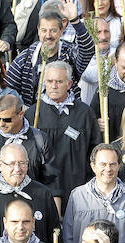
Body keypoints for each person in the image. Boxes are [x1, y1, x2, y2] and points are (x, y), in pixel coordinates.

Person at [33, 60, 100, 207]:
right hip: (44, 187)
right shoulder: (34, 114)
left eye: (59, 81)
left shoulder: (84, 113)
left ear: (69, 84)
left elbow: (95, 150)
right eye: (49, 81)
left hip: (77, 187)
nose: (53, 86)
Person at [5, 1, 95, 107]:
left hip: (67, 116)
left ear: (61, 30)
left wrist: (75, 21)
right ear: (38, 31)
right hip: (34, 120)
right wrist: (24, 110)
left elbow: (88, 49)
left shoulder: (69, 54)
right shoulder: (25, 58)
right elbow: (7, 88)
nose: (48, 36)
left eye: (53, 30)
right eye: (44, 30)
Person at [0, 94, 61, 196]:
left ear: (21, 114)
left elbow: (52, 182)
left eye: (7, 120)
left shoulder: (40, 139)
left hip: (32, 202)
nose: (1, 124)